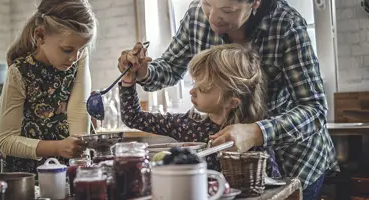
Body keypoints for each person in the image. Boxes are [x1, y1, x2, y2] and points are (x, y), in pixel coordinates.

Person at [118, 0, 339, 199]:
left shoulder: (286, 25)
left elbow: (314, 108)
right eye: (207, 3)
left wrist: (256, 133)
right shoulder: (197, 15)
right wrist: (142, 72)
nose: (212, 17)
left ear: (255, 3)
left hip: (295, 161)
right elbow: (167, 68)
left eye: (227, 10)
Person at [119, 43, 281, 177]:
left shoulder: (252, 138)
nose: (192, 91)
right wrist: (128, 82)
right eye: (194, 83)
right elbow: (133, 117)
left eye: (203, 89)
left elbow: (272, 184)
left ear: (232, 102)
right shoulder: (186, 124)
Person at [0, 0, 96, 174]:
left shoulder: (77, 56)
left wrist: (79, 160)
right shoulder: (19, 72)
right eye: (67, 50)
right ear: (40, 36)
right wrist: (57, 148)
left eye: (82, 49)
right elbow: (6, 141)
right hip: (29, 174)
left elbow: (79, 110)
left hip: (69, 168)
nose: (74, 57)